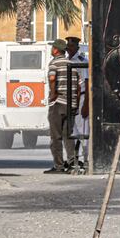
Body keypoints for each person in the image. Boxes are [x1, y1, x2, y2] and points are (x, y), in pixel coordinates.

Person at [44, 39, 78, 174]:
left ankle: (59, 166)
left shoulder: (54, 63)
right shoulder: (72, 64)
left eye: (53, 48)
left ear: (56, 50)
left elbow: (52, 78)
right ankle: (72, 164)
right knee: (68, 136)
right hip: (71, 104)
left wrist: (53, 94)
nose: (51, 50)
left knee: (56, 137)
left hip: (58, 104)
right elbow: (79, 84)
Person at [66, 36, 89, 173]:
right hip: (70, 98)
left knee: (83, 129)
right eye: (68, 46)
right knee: (72, 130)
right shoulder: (67, 61)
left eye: (71, 46)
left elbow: (87, 82)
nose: (69, 48)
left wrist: (86, 104)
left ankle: (86, 159)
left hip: (81, 97)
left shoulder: (82, 61)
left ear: (77, 47)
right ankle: (75, 159)